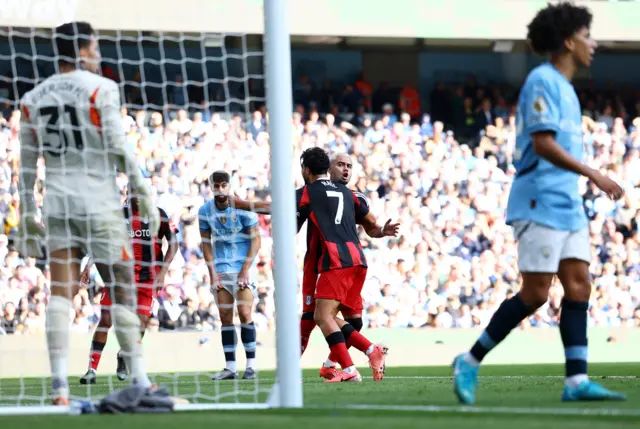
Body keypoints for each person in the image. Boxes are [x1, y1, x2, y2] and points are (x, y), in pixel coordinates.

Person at [452, 2, 626, 404]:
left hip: (566, 202)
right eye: (587, 35)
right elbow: (542, 143)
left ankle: (576, 382)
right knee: (535, 294)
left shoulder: (566, 89)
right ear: (569, 41)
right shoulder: (542, 81)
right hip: (539, 199)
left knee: (579, 285)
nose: (593, 44)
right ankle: (469, 360)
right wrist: (593, 173)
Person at [16, 21, 158, 405]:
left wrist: (28, 209)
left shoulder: (32, 97)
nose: (98, 54)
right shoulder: (102, 88)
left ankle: (59, 386)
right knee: (123, 284)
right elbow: (117, 146)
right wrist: (142, 186)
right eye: (95, 47)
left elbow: (27, 164)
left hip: (58, 203)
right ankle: (141, 381)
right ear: (81, 49)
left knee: (61, 292)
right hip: (98, 200)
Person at [299, 153, 399, 380]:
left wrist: (382, 231)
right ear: (328, 169)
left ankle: (333, 364)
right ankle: (300, 368)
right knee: (313, 317)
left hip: (342, 263)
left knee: (352, 321)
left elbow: (370, 225)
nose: (346, 170)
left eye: (349, 166)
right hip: (318, 265)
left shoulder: (354, 197)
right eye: (340, 165)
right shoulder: (316, 193)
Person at [79, 184, 178, 384]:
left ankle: (124, 354)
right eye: (134, 192)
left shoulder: (159, 214)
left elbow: (173, 243)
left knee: (140, 323)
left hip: (148, 278)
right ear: (128, 194)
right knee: (106, 319)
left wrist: (163, 273)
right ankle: (91, 369)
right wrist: (88, 266)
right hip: (120, 277)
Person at [199, 171, 261, 380]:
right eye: (216, 186)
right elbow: (206, 243)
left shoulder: (243, 208)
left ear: (230, 186)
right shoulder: (205, 211)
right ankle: (231, 368)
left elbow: (256, 241)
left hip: (242, 268)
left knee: (244, 313)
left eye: (223, 185)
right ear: (211, 187)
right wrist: (212, 272)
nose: (220, 190)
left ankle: (251, 365)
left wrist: (245, 268)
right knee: (225, 317)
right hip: (221, 269)